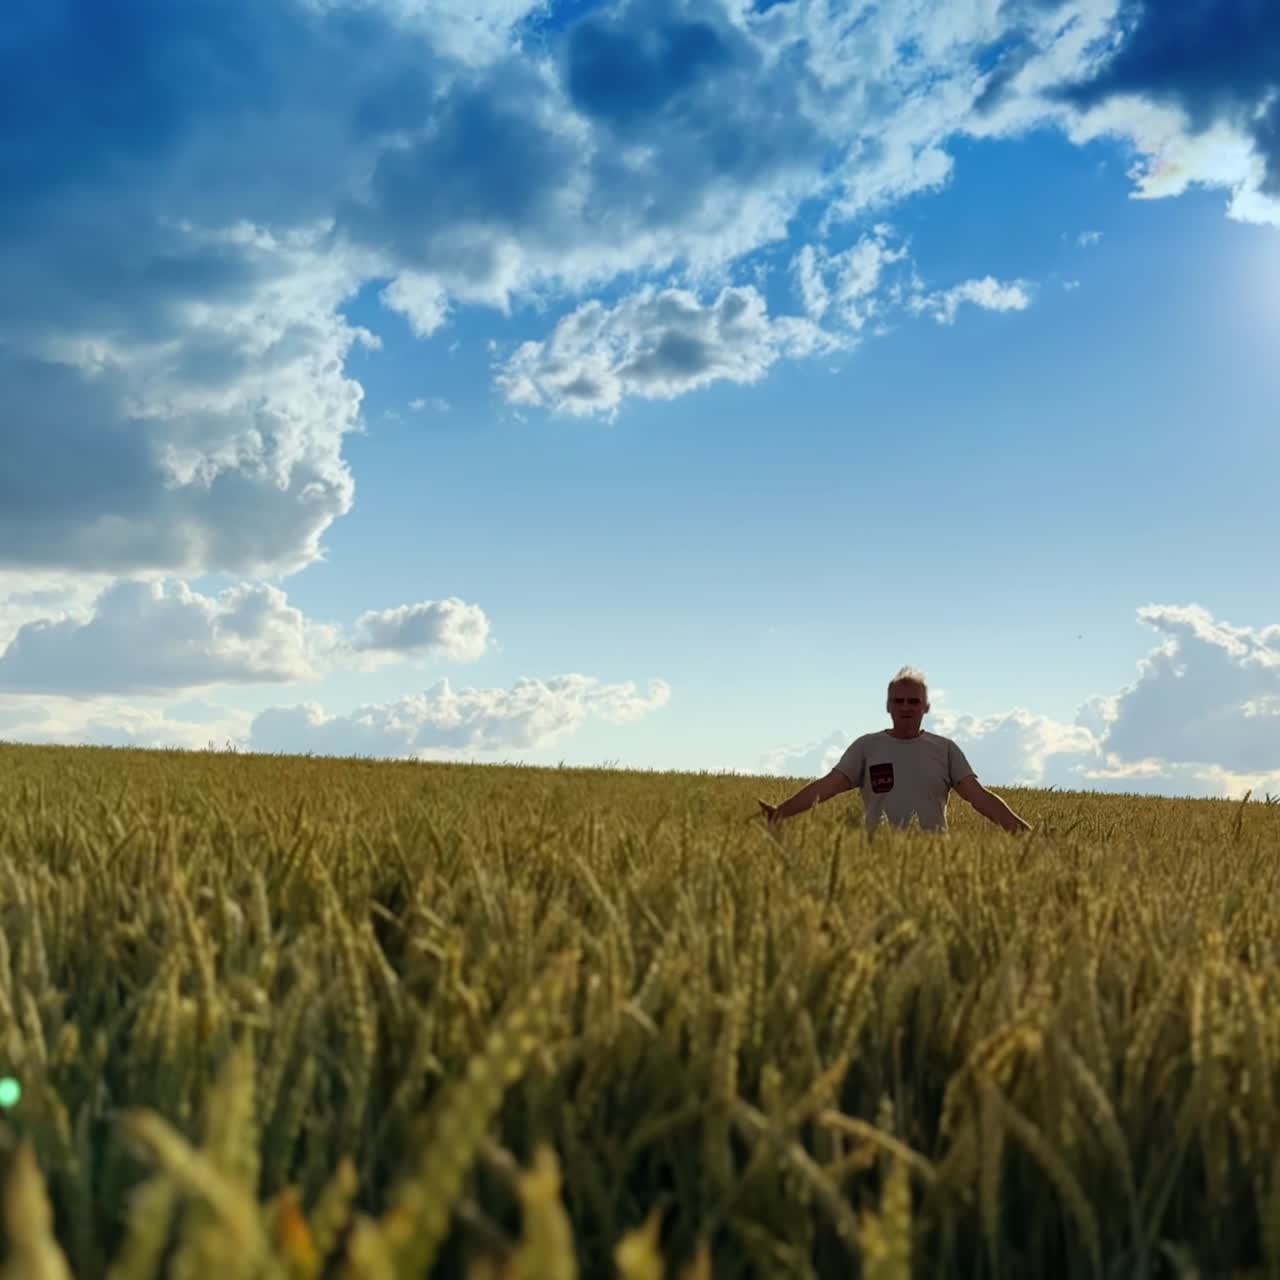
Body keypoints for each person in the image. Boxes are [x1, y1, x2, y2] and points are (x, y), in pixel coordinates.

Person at [758, 666, 1032, 836]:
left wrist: (1026, 834)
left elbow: (980, 798)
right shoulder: (866, 747)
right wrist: (781, 812)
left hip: (933, 861)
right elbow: (826, 787)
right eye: (898, 701)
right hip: (877, 861)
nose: (905, 707)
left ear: (926, 707)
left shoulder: (945, 749)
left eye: (914, 701)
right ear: (887, 706)